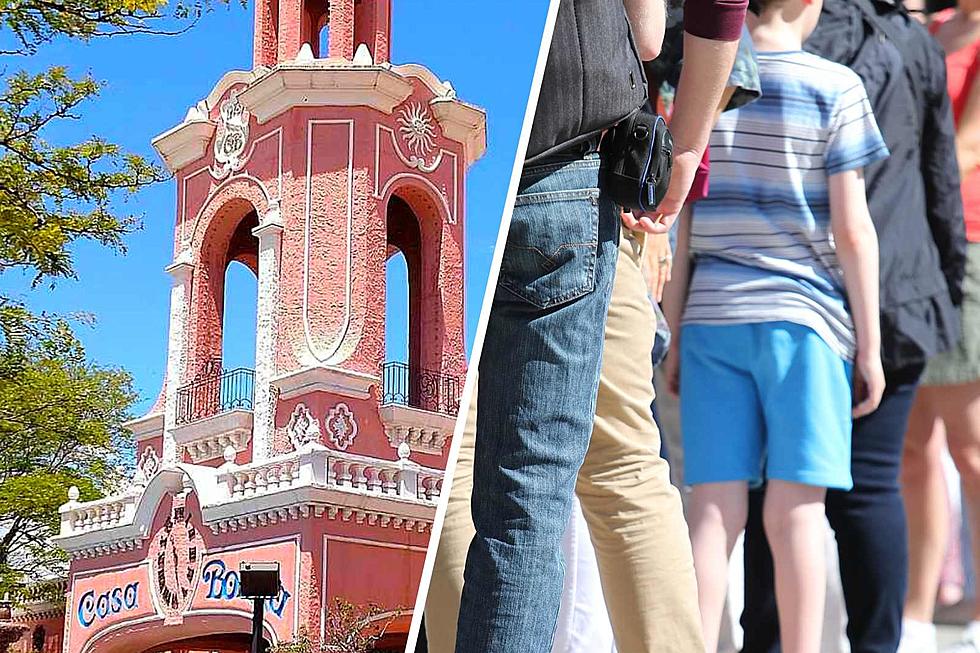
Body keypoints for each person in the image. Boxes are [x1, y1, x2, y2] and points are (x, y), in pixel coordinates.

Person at [422, 0, 749, 650]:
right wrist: (686, 146)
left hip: (458, 169)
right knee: (605, 469)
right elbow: (653, 32)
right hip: (576, 157)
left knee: (456, 465)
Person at [736, 0, 966, 651]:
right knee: (869, 488)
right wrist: (943, 285)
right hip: (898, 294)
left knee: (772, 489)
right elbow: (939, 173)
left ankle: (769, 644)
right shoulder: (909, 37)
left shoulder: (771, 31)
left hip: (787, 292)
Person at [661, 0, 890, 649]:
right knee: (797, 513)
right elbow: (853, 230)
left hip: (710, 316)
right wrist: (869, 347)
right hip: (806, 322)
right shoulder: (836, 87)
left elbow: (686, 225)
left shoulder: (704, 84)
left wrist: (676, 334)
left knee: (710, 510)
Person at [900, 0, 980, 650]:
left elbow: (970, 142)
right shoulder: (930, 29)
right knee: (913, 447)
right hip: (911, 244)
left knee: (971, 445)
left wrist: (894, 187)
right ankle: (916, 613)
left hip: (967, 247)